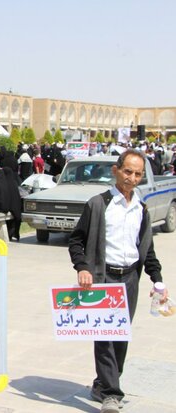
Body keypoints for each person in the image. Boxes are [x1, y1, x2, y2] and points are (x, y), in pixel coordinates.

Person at [68, 149, 167, 413]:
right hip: (103, 278)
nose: (132, 178)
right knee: (105, 335)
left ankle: (103, 384)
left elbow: (146, 249)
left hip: (130, 279)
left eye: (137, 174)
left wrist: (157, 280)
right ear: (116, 171)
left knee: (121, 335)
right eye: (127, 172)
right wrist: (83, 267)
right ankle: (112, 394)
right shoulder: (98, 204)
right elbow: (76, 240)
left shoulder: (140, 208)